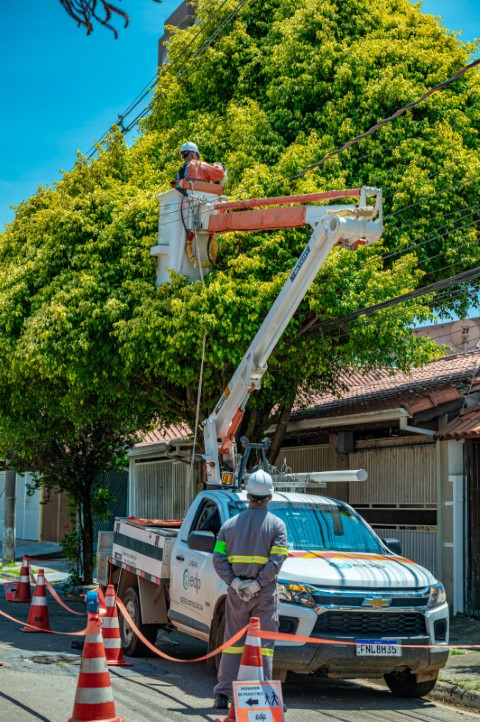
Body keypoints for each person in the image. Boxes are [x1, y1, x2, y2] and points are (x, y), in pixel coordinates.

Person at [212, 469, 288, 709]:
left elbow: (218, 559)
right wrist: (257, 584)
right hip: (264, 594)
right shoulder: (277, 526)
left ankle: (223, 694)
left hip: (237, 593)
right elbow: (276, 563)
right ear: (270, 497)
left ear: (247, 496)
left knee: (233, 642)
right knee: (263, 646)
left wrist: (235, 582)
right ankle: (265, 695)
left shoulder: (229, 525)